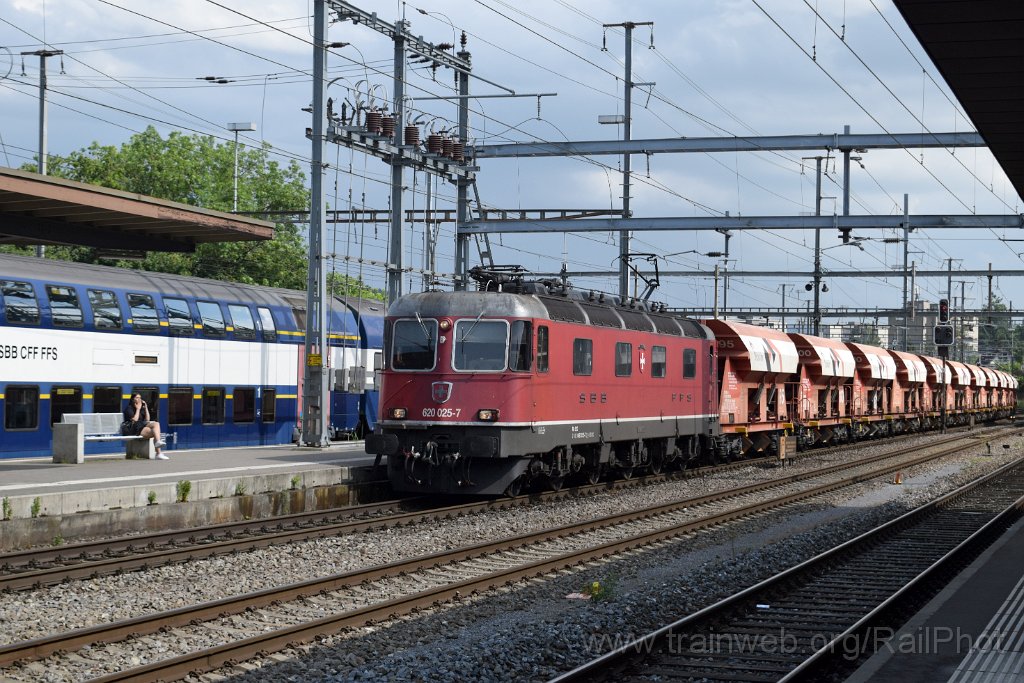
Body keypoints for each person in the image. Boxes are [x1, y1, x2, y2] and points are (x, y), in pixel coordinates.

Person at [121, 394, 168, 459]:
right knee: (155, 433)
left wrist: (146, 408)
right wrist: (138, 409)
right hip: (134, 428)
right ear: (132, 399)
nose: (139, 399)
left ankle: (158, 442)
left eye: (140, 398)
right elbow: (135, 420)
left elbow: (147, 419)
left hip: (142, 425)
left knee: (156, 424)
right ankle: (158, 453)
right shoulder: (129, 408)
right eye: (137, 397)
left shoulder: (141, 408)